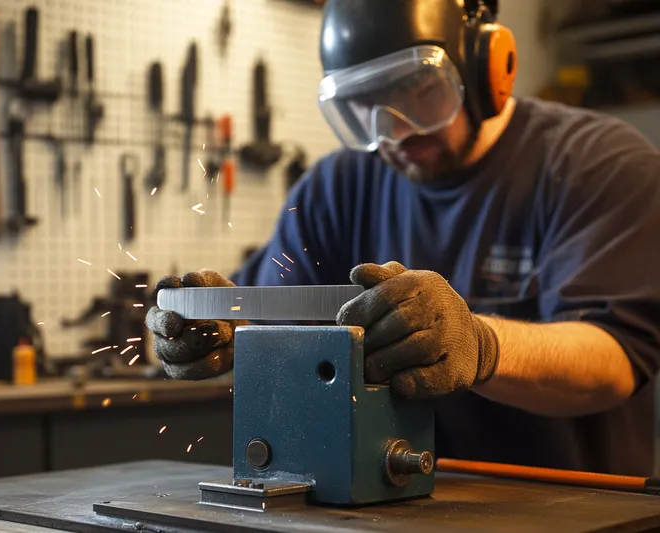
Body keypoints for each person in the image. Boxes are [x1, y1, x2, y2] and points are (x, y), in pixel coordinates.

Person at [146, 0, 660, 476]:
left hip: (562, 508)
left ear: (486, 68)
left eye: (420, 93)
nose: (396, 131)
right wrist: (221, 327)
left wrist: (480, 346)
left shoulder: (597, 164)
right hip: (384, 505)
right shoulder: (337, 187)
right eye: (365, 108)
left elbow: (614, 360)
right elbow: (266, 320)